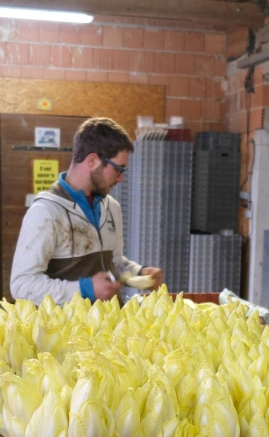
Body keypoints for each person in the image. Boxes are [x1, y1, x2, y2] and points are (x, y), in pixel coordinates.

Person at [10, 117, 163, 304]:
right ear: (92, 160)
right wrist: (84, 289)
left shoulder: (110, 207)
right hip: (64, 330)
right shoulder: (46, 212)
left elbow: (113, 262)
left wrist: (139, 272)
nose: (121, 179)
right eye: (118, 169)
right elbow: (22, 285)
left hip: (107, 327)